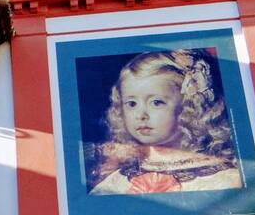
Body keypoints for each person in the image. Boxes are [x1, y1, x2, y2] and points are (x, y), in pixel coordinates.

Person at [89, 49, 242, 195]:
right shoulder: (118, 178)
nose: (141, 115)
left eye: (156, 102)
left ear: (189, 106)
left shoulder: (223, 179)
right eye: (132, 104)